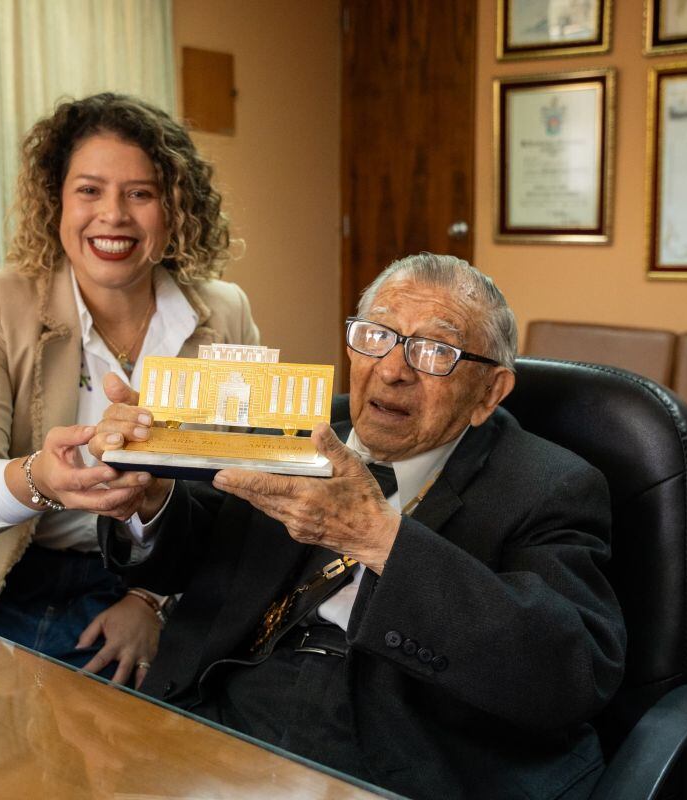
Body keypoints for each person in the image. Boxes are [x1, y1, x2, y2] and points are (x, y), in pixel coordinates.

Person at [90, 253, 626, 799]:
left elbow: (569, 672)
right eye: (377, 336)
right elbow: (197, 547)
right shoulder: (300, 427)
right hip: (221, 710)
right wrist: (152, 499)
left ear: (489, 392)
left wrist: (380, 538)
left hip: (397, 750)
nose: (393, 370)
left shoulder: (549, 485)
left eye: (436, 351)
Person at [0, 93, 259, 687]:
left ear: (175, 208)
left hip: (150, 585)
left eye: (141, 193)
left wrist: (150, 601)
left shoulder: (223, 313)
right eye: (89, 190)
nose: (114, 215)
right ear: (55, 200)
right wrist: (39, 479)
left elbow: (237, 494)